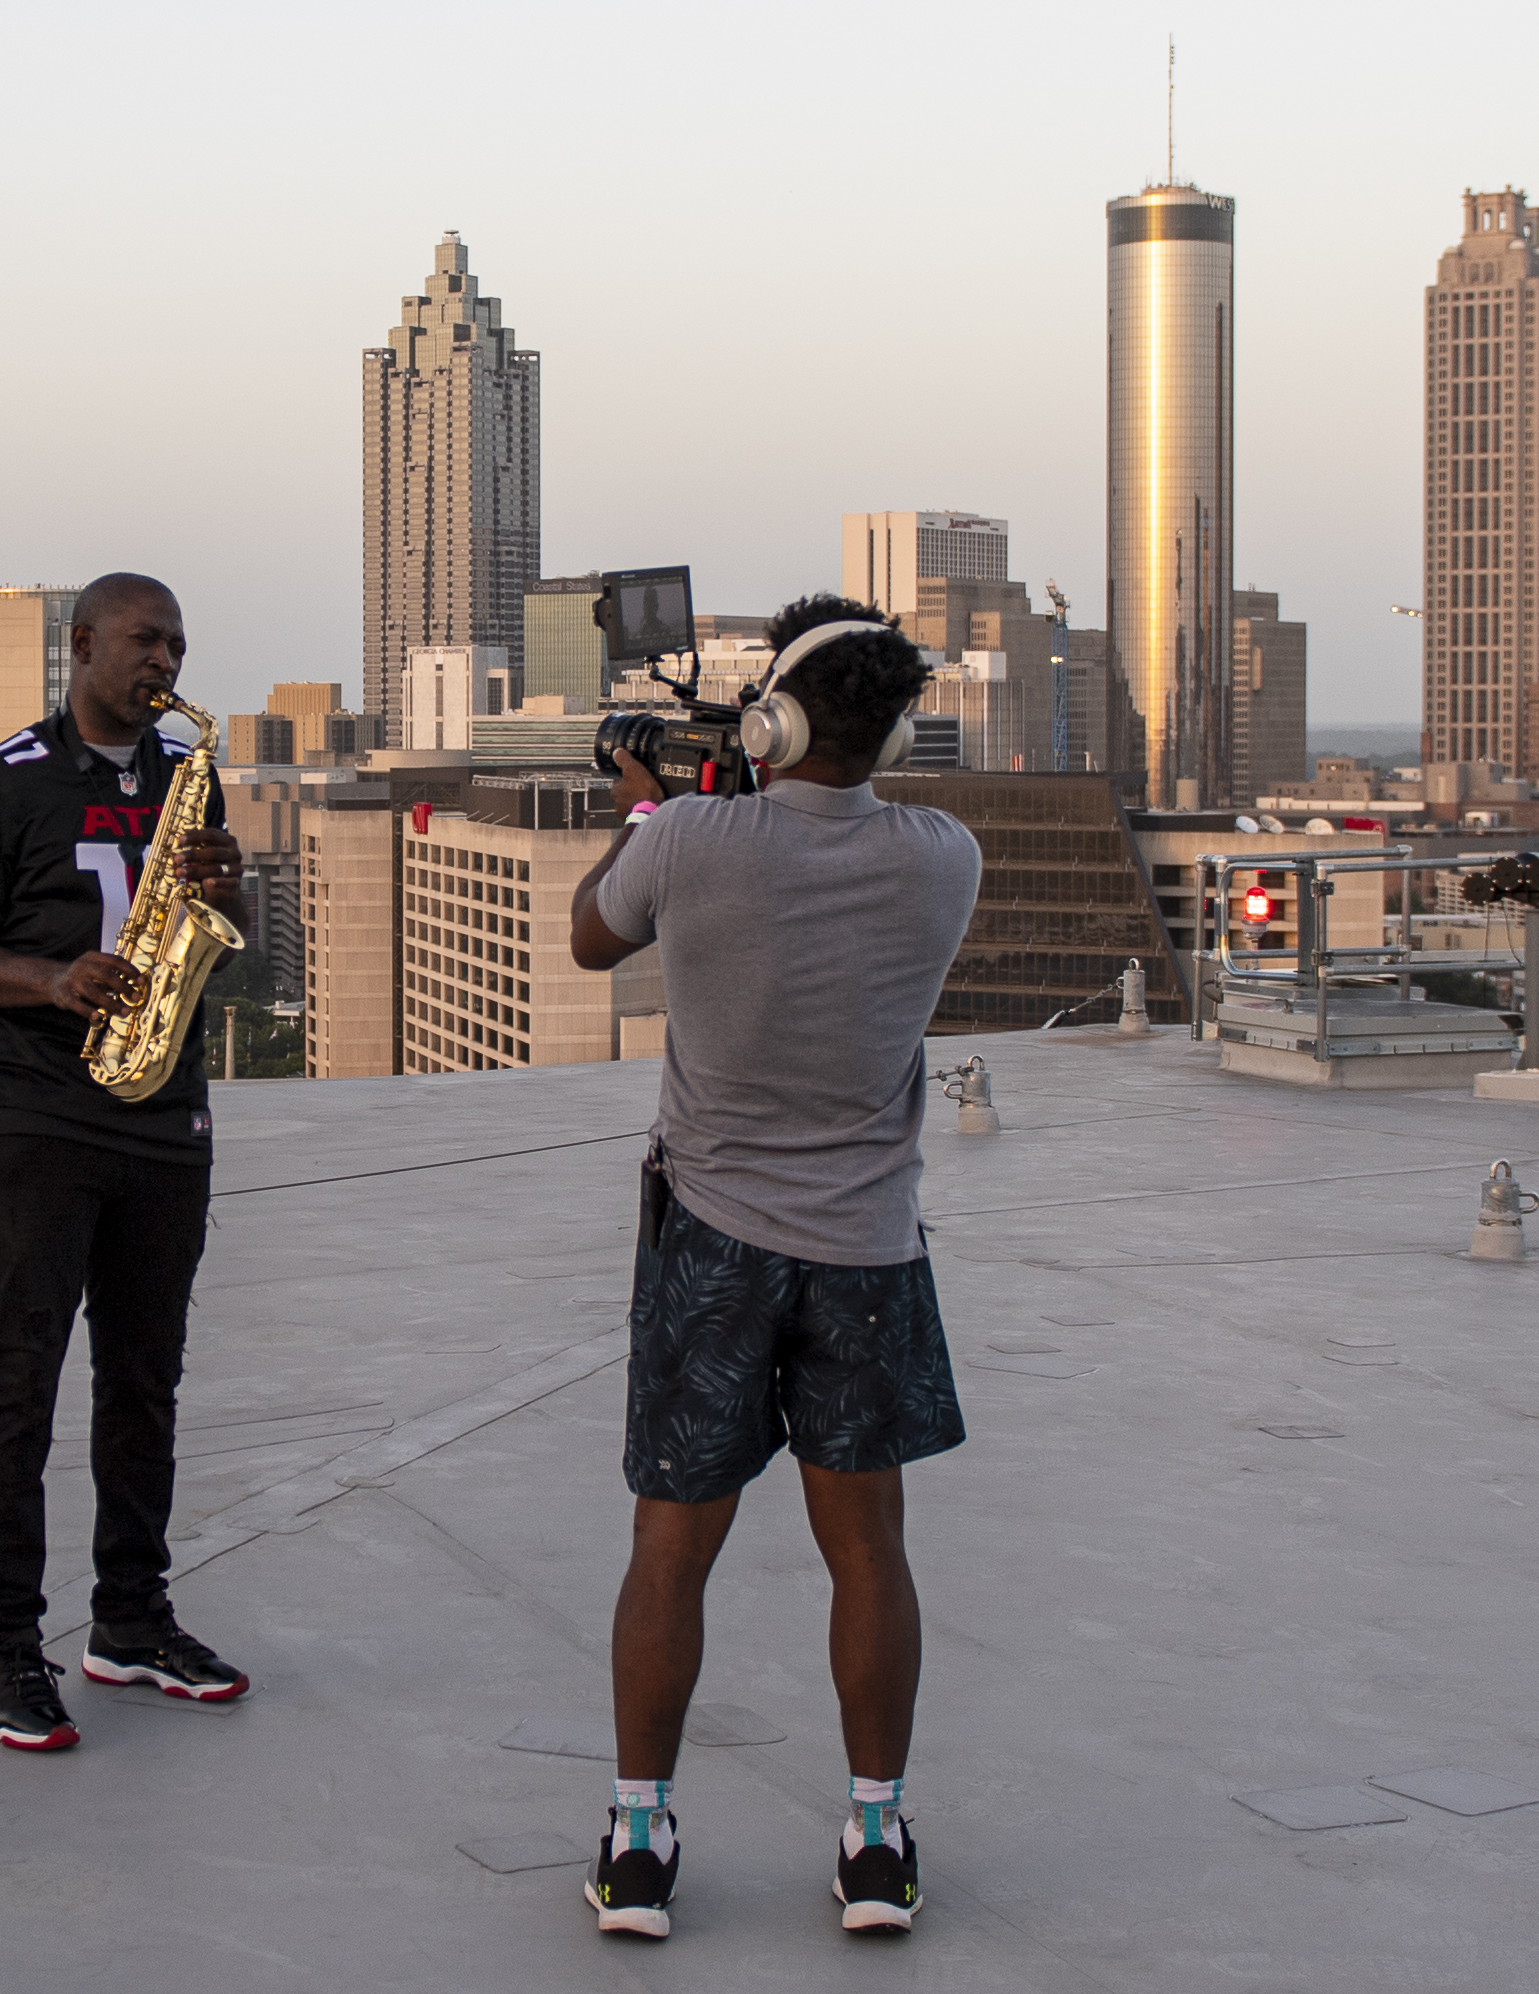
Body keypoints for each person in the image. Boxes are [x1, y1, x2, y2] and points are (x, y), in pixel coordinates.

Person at [566, 594, 980, 1938]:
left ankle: (637, 1839)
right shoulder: (939, 856)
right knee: (867, 1552)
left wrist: (650, 804)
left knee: (670, 1547)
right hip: (867, 1248)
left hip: (711, 1244)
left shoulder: (686, 838)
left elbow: (592, 933)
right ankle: (872, 1835)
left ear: (771, 716)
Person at [0, 571, 253, 1751]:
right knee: (22, 1378)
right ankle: (5, 1644)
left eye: (176, 638)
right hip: (37, 1113)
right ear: (81, 646)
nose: (163, 657)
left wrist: (230, 894)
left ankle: (130, 1618)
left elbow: (230, 940)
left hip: (164, 1108)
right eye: (143, 638)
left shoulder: (186, 772)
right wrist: (55, 979)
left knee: (145, 1379)